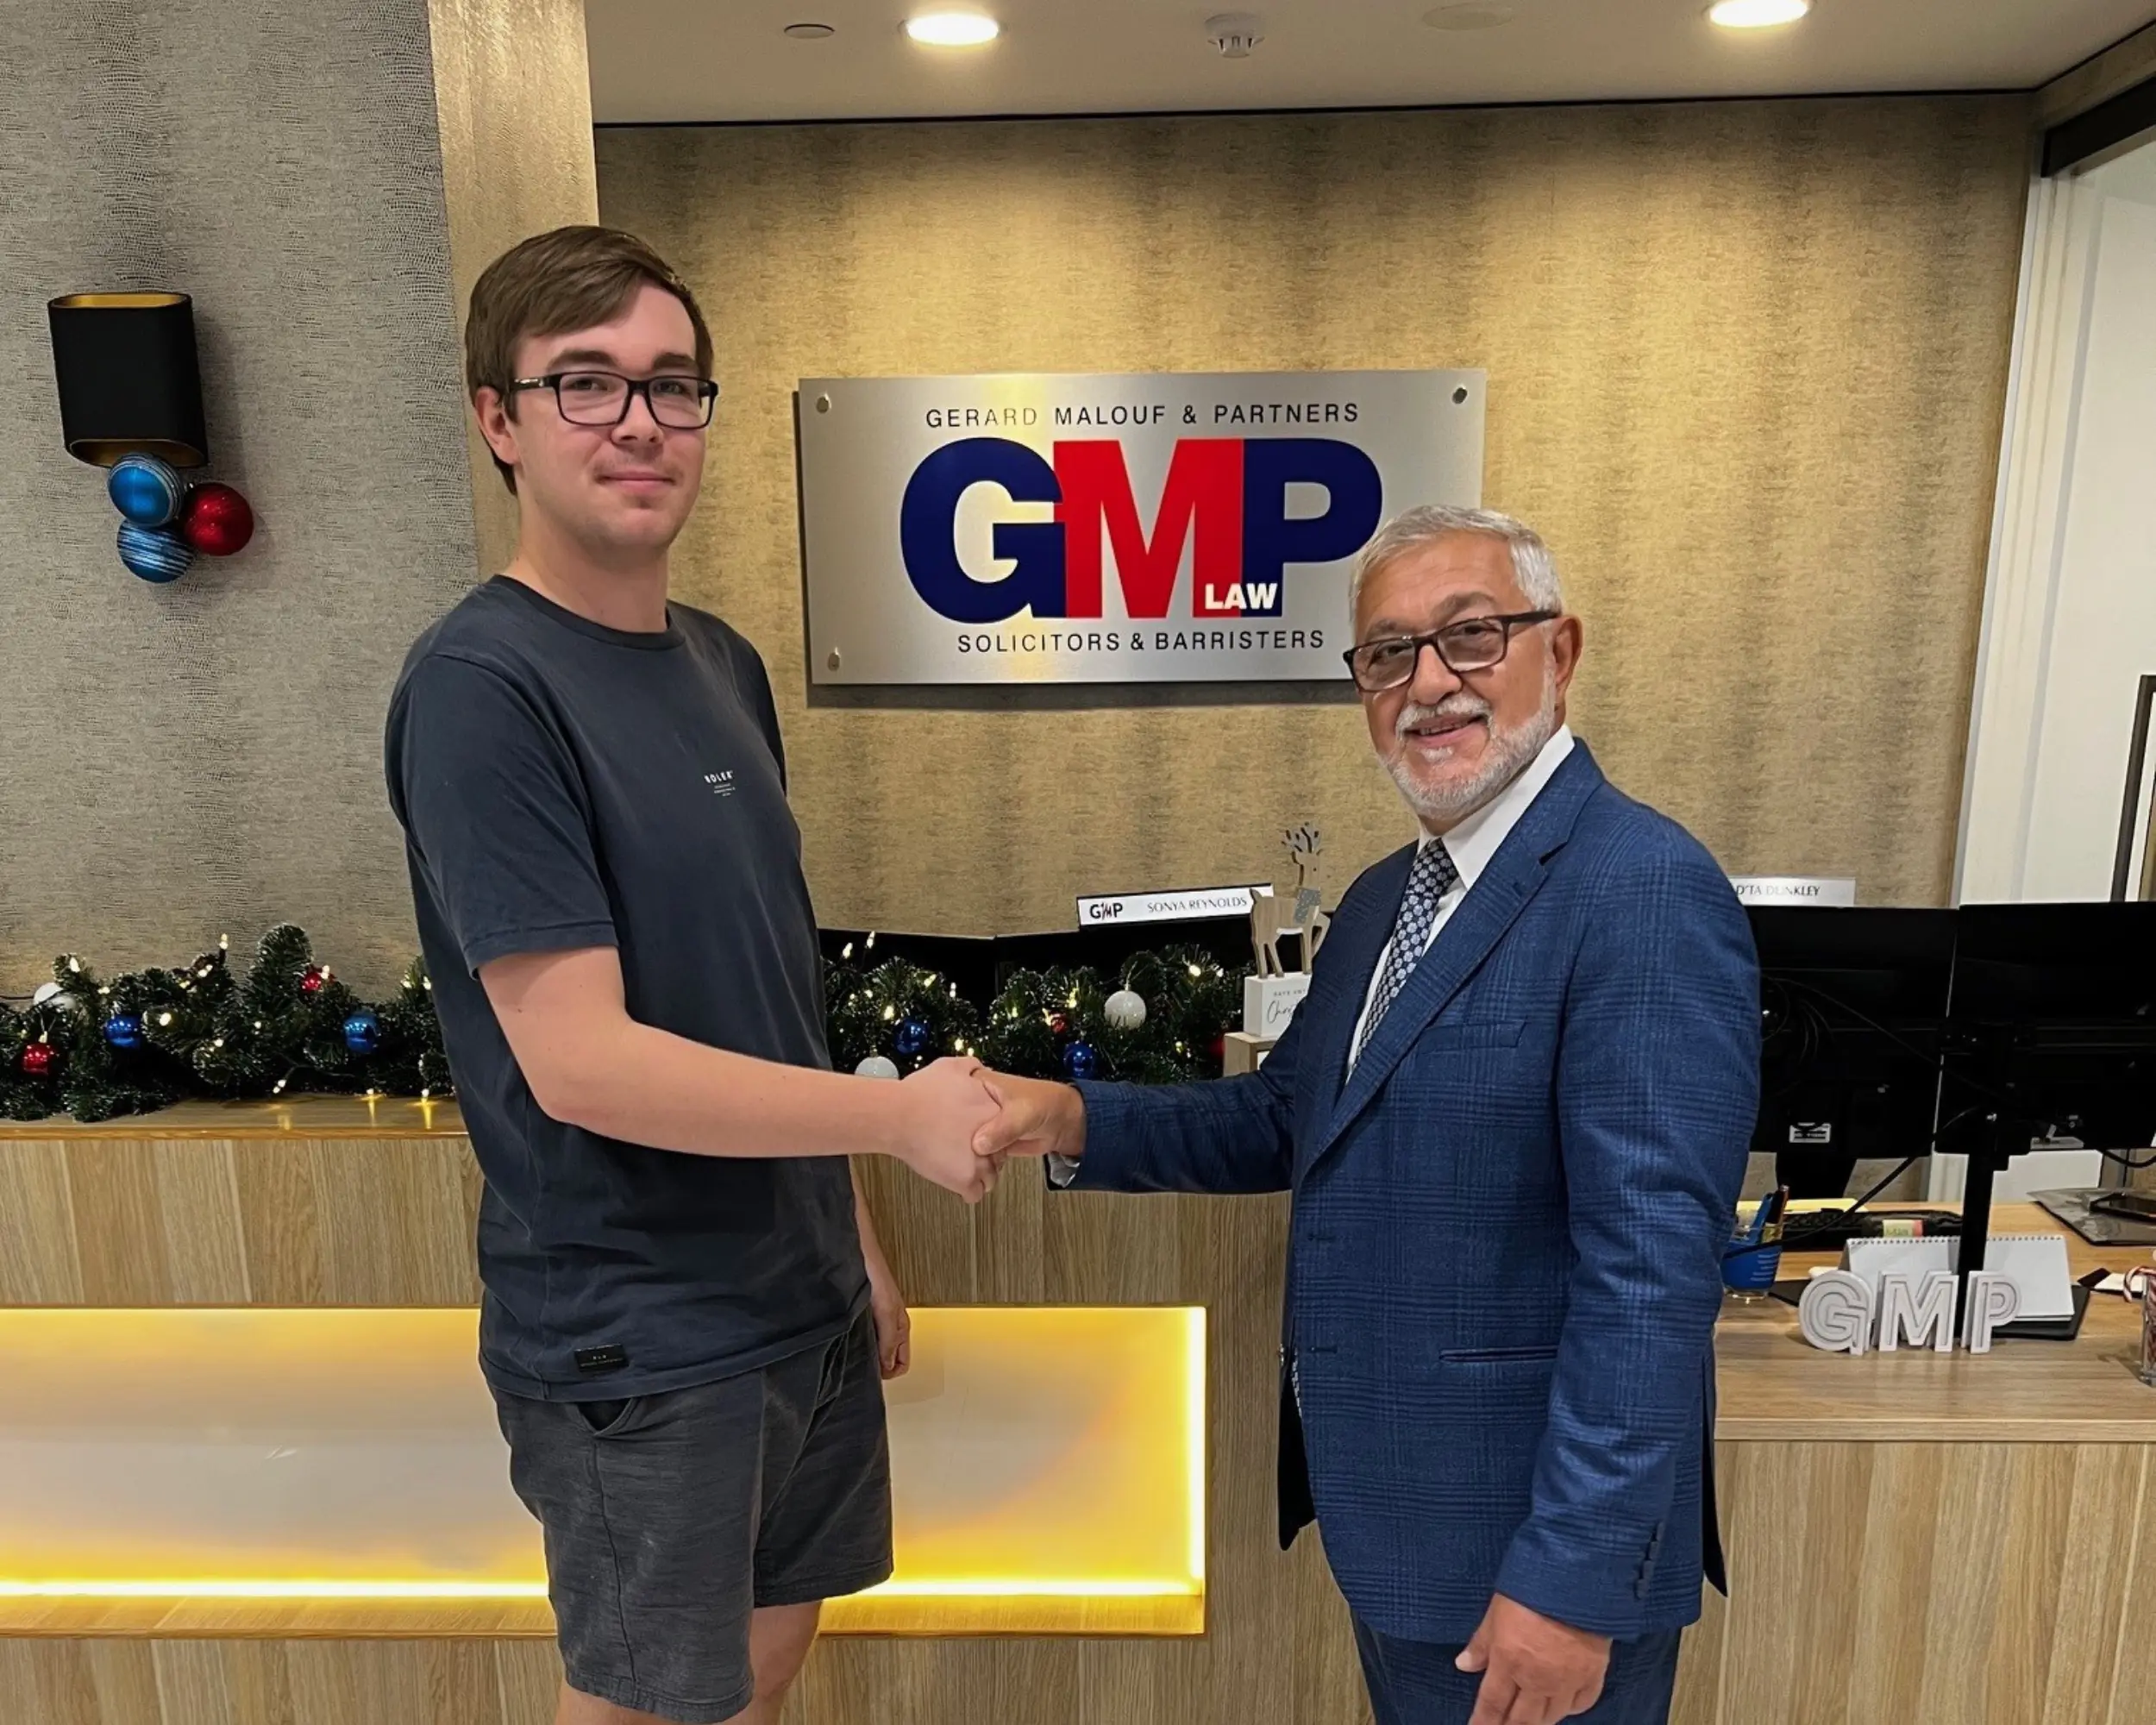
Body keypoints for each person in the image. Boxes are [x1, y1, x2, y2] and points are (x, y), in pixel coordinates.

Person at [977, 505, 1758, 1725]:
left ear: (1560, 652)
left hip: (1534, 1570)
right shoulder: (1391, 896)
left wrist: (1572, 1582)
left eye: (1472, 635)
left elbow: (1652, 1277)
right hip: (1406, 1535)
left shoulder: (1644, 888)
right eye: (1388, 653)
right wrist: (1064, 1116)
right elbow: (1284, 1117)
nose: (1428, 684)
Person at [384, 225, 1000, 1725]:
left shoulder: (723, 665)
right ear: (499, 419)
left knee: (765, 1671)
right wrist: (894, 1122)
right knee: (653, 1705)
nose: (640, 422)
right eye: (585, 384)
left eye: (672, 385)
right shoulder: (482, 690)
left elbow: (769, 990)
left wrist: (852, 1234)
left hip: (798, 1298)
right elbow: (580, 1063)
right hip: (641, 1328)